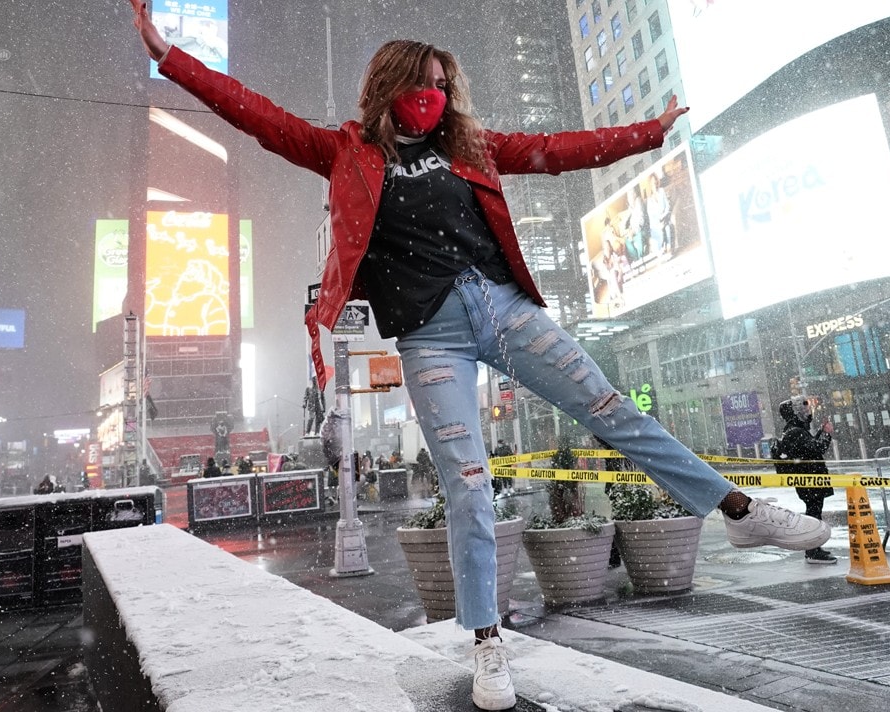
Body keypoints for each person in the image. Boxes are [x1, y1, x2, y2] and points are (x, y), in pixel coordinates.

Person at [128, 9, 829, 708]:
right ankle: (488, 642)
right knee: (467, 482)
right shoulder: (345, 151)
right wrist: (171, 58)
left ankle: (737, 510)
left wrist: (649, 134)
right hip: (432, 336)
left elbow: (556, 149)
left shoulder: (470, 145)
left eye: (441, 83)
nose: (433, 95)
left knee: (611, 409)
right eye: (421, 83)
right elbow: (254, 113)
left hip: (504, 309)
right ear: (390, 88)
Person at [774, 396, 838, 565]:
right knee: (813, 515)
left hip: (811, 482)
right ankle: (812, 551)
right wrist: (826, 434)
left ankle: (814, 548)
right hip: (810, 482)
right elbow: (817, 448)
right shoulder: (796, 432)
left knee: (814, 513)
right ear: (794, 413)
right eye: (803, 410)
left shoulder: (795, 431)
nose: (807, 413)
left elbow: (810, 447)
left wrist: (820, 433)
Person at [644, 172, 673, 255]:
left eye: (655, 181)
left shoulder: (661, 191)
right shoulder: (649, 199)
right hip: (656, 222)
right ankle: (663, 248)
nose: (655, 183)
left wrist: (663, 216)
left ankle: (669, 248)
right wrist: (658, 221)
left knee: (666, 227)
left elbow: (667, 206)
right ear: (650, 184)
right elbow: (651, 215)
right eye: (652, 182)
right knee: (661, 228)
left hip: (665, 217)